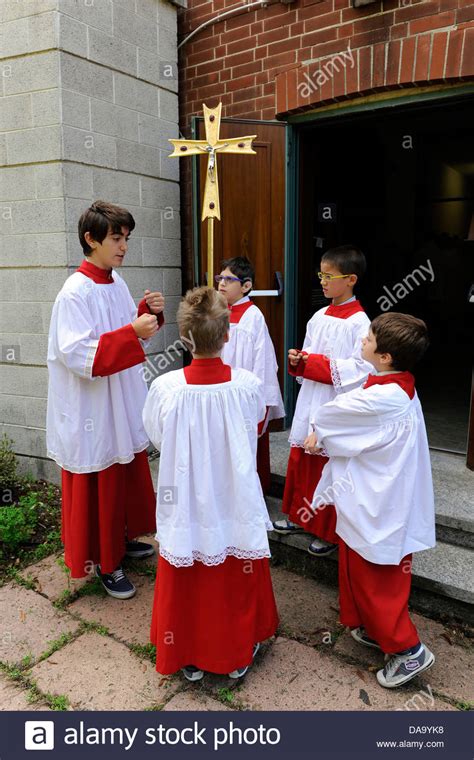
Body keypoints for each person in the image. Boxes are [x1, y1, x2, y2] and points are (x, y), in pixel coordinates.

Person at [143, 286, 278, 681]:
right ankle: (235, 650)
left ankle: (185, 651)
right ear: (227, 334)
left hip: (184, 496)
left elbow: (156, 435)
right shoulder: (248, 385)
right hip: (232, 495)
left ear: (184, 338)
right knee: (234, 570)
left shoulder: (165, 389)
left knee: (187, 567)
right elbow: (254, 426)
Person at [306, 312, 436, 688]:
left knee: (377, 577)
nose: (362, 340)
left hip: (379, 503)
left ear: (386, 358)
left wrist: (319, 429)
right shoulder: (394, 385)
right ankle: (376, 629)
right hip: (377, 495)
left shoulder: (384, 398)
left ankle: (408, 650)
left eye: (369, 338)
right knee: (363, 569)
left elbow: (333, 415)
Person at [46, 200, 164, 599]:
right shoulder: (73, 293)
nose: (124, 245)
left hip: (118, 398)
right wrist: (133, 331)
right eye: (116, 237)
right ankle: (104, 562)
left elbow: (120, 326)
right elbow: (79, 355)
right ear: (90, 238)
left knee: (125, 471)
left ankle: (122, 540)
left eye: (126, 238)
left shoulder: (115, 282)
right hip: (92, 406)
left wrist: (146, 314)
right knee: (102, 479)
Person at [273, 245, 372, 556]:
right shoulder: (318, 315)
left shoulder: (361, 323)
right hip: (312, 396)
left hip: (335, 400)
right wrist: (297, 360)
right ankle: (299, 518)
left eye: (329, 276)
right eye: (321, 275)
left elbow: (362, 368)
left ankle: (327, 530)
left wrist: (312, 364)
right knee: (303, 459)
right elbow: (307, 354)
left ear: (351, 279)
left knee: (329, 466)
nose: (322, 282)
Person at [216, 256, 285, 492]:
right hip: (222, 393)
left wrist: (260, 404)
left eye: (229, 279)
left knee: (248, 454)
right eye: (220, 278)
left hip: (245, 398)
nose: (221, 284)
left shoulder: (253, 317)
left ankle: (252, 498)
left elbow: (264, 364)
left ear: (246, 286)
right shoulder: (217, 313)